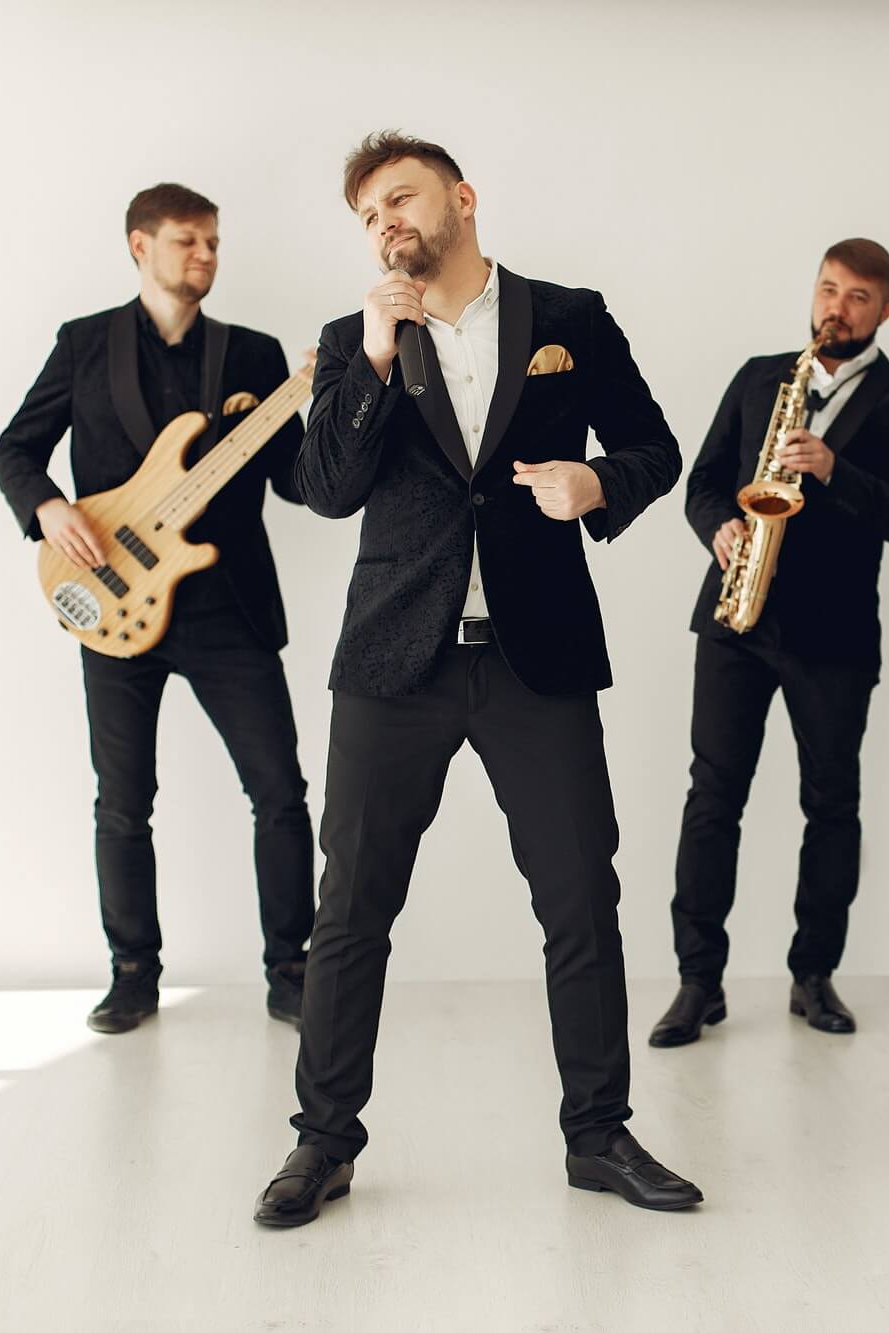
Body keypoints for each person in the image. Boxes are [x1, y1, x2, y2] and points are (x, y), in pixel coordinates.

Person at [252, 133, 699, 1228]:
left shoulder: (568, 318)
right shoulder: (349, 337)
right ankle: (323, 1142)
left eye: (398, 197)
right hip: (392, 658)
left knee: (580, 897)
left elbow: (655, 448)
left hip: (532, 654)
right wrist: (366, 355)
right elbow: (324, 490)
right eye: (366, 214)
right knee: (350, 907)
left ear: (460, 196)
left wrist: (593, 480)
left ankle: (597, 1134)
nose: (384, 222)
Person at [0, 183, 314, 1035]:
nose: (205, 256)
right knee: (123, 802)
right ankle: (133, 972)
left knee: (280, 791)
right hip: (115, 603)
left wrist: (343, 408)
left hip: (227, 605)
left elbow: (297, 479)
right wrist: (49, 509)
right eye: (186, 241)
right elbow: (14, 448)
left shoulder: (254, 354)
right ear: (140, 245)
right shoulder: (84, 343)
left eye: (213, 242)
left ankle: (293, 969)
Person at [652, 239, 889, 1047]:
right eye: (827, 290)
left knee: (830, 804)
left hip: (835, 636)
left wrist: (832, 469)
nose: (836, 308)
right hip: (735, 621)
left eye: (857, 297)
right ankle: (697, 981)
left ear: (886, 309)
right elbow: (705, 479)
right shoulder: (760, 377)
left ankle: (813, 975)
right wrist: (718, 529)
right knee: (712, 799)